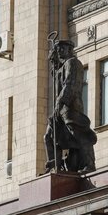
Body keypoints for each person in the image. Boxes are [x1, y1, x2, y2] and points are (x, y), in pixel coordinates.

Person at [43, 38, 97, 173]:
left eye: (62, 48)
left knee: (79, 135)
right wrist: (54, 63)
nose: (59, 51)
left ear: (69, 49)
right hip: (60, 108)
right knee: (49, 136)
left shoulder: (73, 63)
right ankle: (56, 165)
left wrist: (60, 102)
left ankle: (90, 164)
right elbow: (58, 84)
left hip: (70, 106)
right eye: (58, 49)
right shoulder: (60, 67)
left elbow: (70, 85)